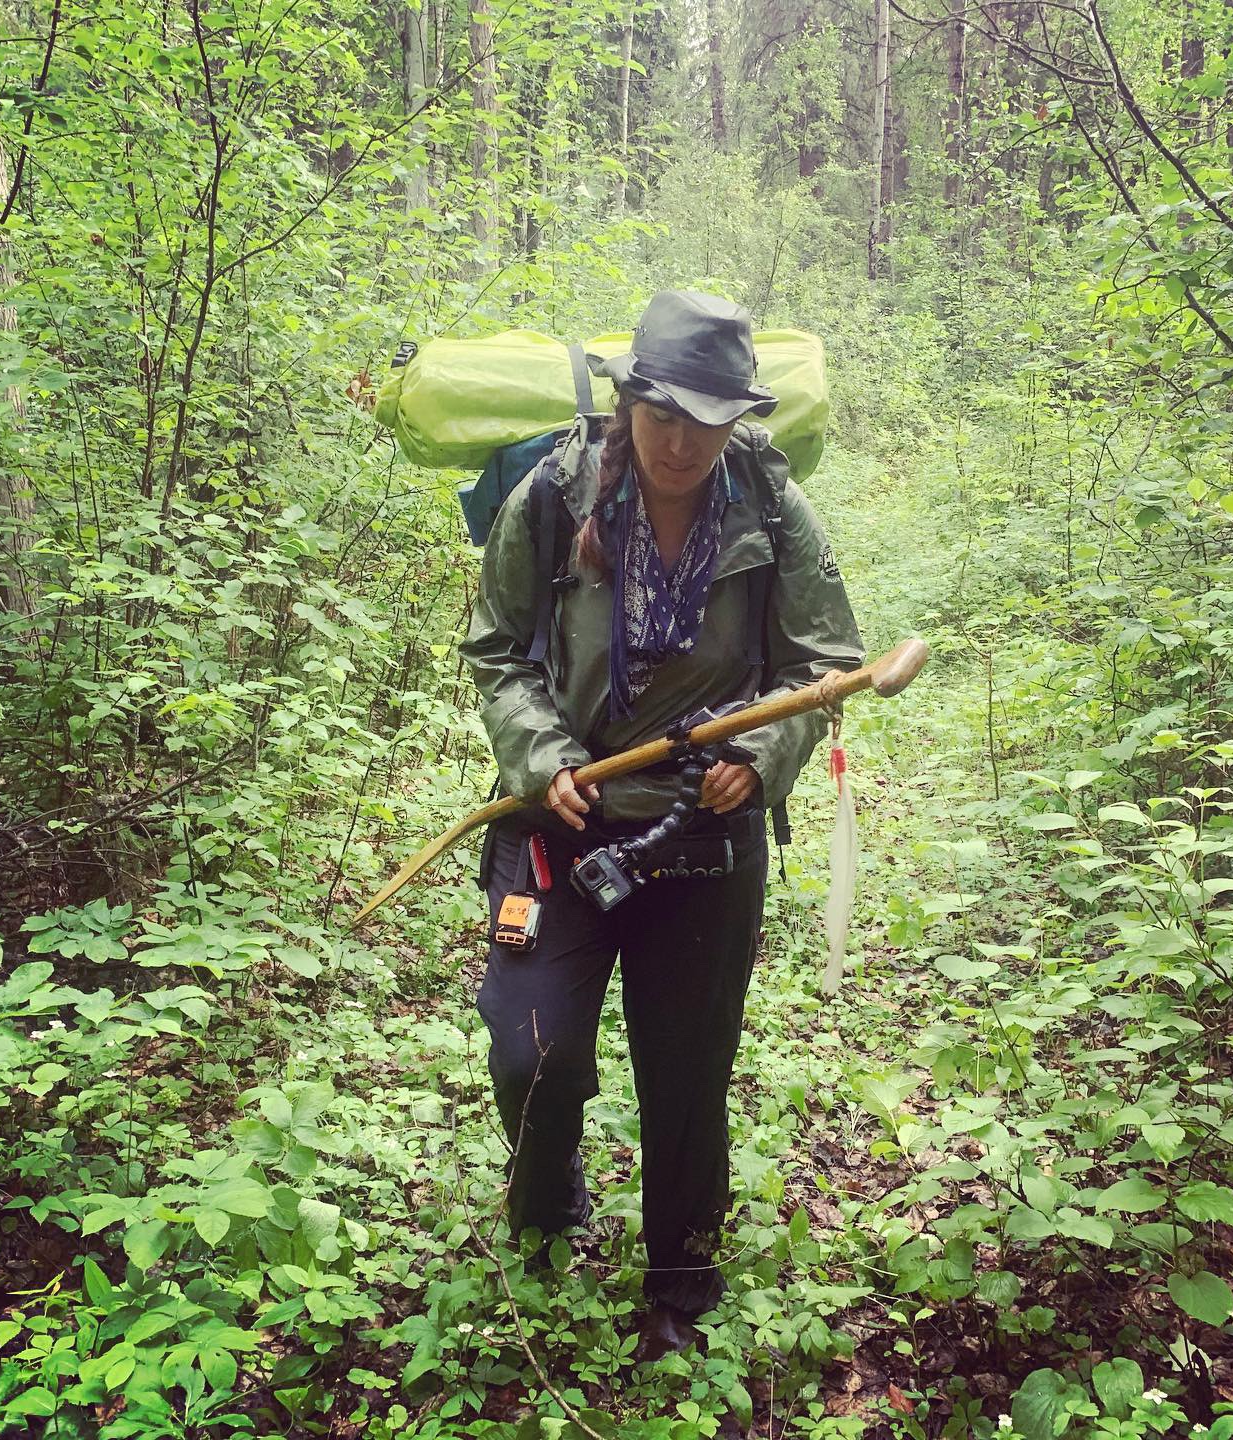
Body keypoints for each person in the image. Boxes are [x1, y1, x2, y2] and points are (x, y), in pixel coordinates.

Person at [460, 290, 864, 1364]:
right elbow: (496, 648)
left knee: (687, 1075)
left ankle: (680, 1281)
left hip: (703, 842)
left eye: (708, 419)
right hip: (563, 826)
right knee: (530, 1046)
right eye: (662, 414)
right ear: (629, 401)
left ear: (741, 418)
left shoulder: (768, 504)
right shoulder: (556, 493)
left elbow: (824, 662)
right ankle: (545, 1213)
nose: (681, 442)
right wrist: (544, 758)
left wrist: (760, 756)